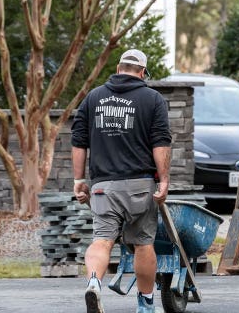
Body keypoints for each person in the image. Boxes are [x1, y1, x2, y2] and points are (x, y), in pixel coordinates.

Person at [71, 49, 172, 313]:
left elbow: (78, 140)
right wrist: (163, 180)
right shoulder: (152, 99)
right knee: (142, 243)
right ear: (142, 73)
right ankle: (146, 304)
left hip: (104, 186)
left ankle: (94, 282)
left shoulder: (93, 97)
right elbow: (161, 141)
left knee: (102, 240)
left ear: (118, 69)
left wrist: (79, 179)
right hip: (140, 185)